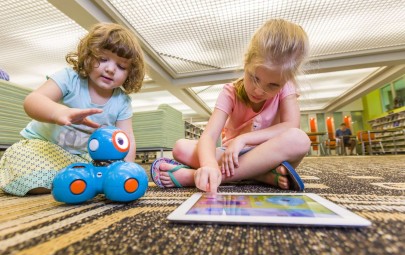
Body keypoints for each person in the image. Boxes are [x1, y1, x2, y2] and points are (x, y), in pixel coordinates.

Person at [150, 19, 310, 193]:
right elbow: (209, 137)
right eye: (254, 78)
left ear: (287, 80)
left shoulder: (287, 87)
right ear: (245, 63)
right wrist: (209, 164)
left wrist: (243, 139)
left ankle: (195, 177)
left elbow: (291, 126)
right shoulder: (230, 92)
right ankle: (259, 174)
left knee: (300, 140)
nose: (258, 90)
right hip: (230, 156)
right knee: (180, 147)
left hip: (269, 153)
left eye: (273, 86)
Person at [0, 23, 145, 196]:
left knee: (102, 171)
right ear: (88, 56)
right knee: (24, 167)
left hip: (83, 157)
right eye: (103, 59)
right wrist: (58, 112)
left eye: (121, 66)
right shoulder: (69, 78)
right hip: (44, 148)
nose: (111, 69)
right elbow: (33, 101)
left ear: (130, 73)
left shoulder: (122, 101)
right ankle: (71, 183)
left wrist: (125, 171)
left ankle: (74, 183)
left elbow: (126, 139)